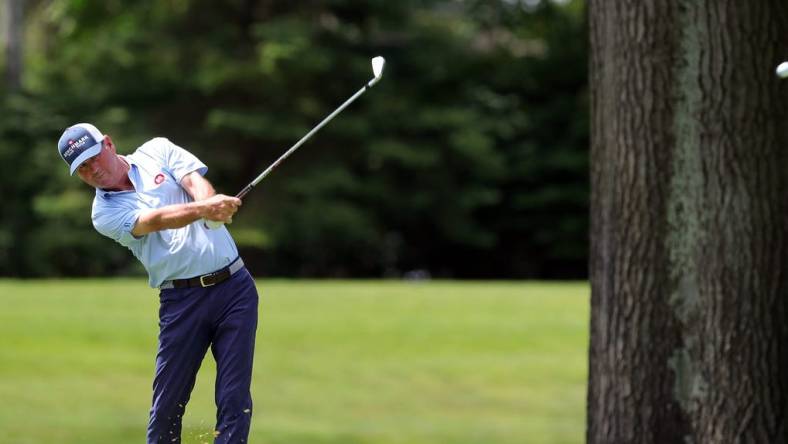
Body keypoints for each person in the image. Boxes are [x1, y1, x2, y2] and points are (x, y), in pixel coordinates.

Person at [57, 123, 259, 444]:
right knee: (167, 405)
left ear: (108, 144)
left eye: (93, 157)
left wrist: (212, 208)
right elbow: (155, 220)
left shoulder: (157, 149)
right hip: (182, 302)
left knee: (234, 396)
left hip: (235, 289)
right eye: (82, 168)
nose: (92, 169)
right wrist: (203, 209)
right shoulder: (103, 213)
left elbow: (194, 180)